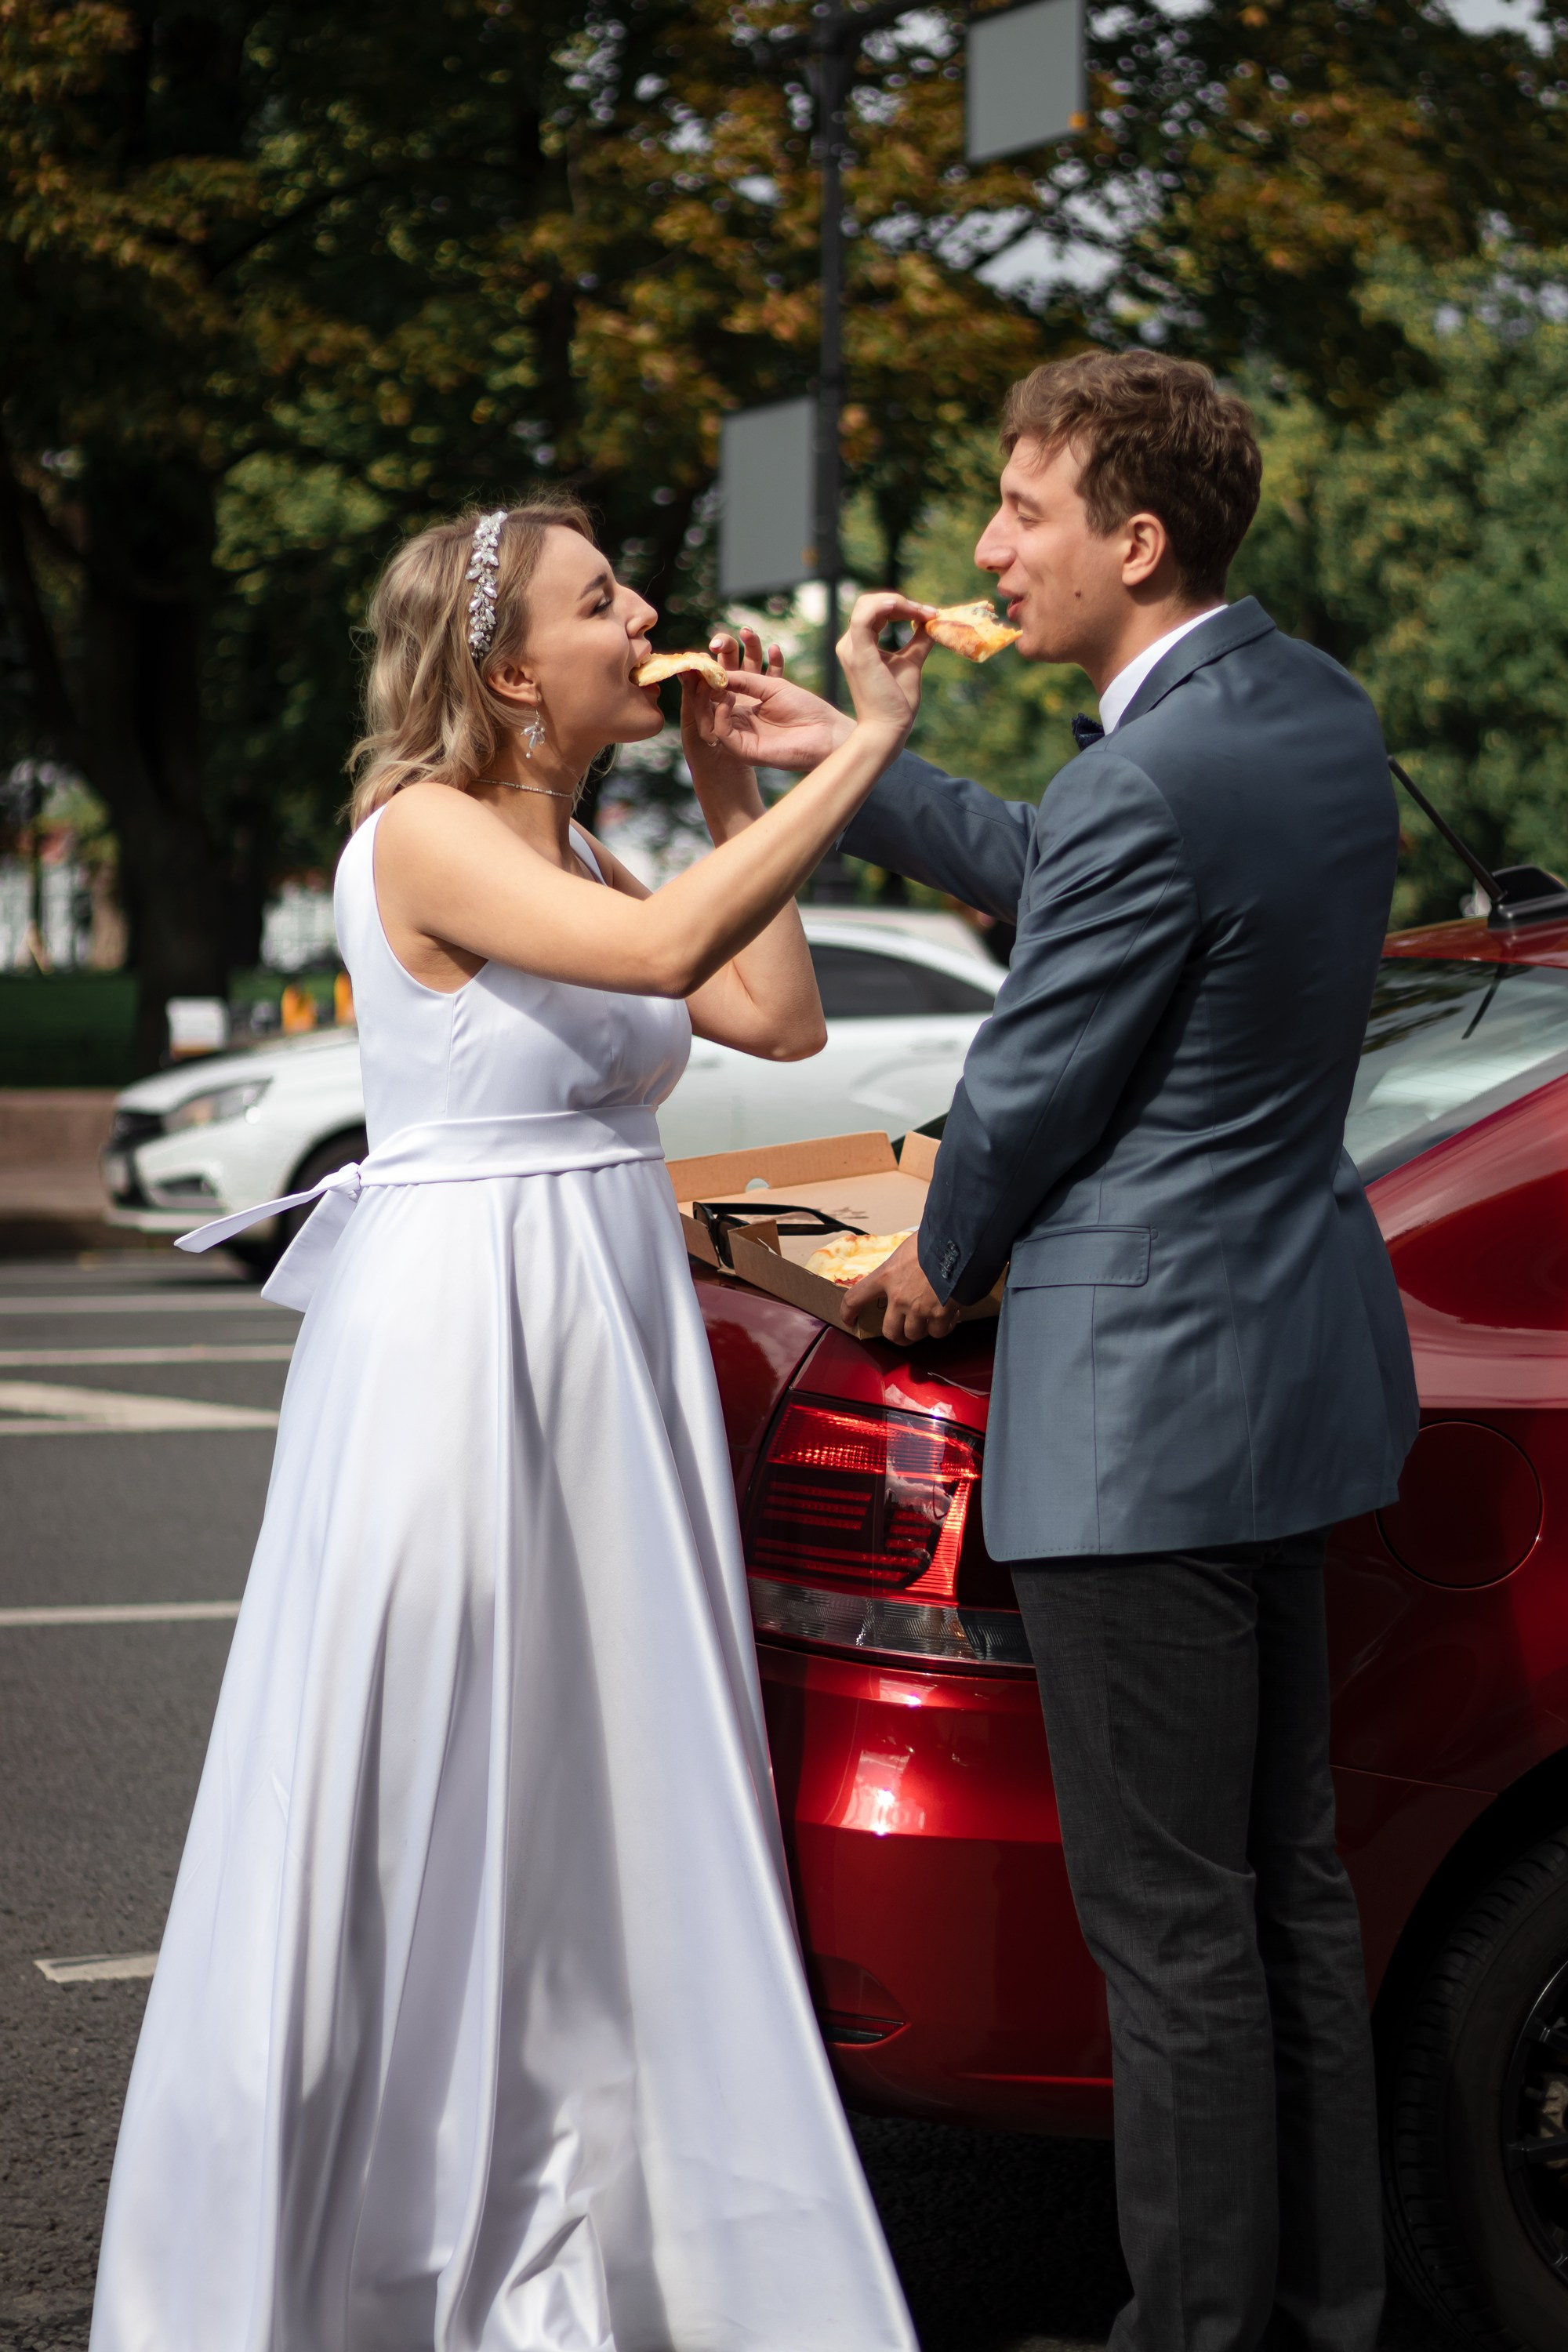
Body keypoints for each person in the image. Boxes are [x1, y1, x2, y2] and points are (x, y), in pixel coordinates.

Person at [89, 499, 932, 2352]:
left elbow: (769, 1016)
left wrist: (729, 788)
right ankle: (334, 2243)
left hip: (599, 1316)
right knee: (423, 1756)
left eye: (630, 588)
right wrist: (863, 745)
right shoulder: (423, 835)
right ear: (501, 668)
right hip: (464, 1330)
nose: (645, 613)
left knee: (599, 1767)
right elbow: (653, 979)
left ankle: (599, 2214)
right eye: (599, 598)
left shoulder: (606, 859)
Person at [701, 353, 1420, 2352]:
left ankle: (1191, 2334)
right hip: (1291, 1382)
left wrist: (932, 1258)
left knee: (1170, 1933)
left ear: (1136, 537)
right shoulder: (1305, 714)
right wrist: (856, 751)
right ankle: (1319, 2314)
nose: (991, 548)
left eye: (1023, 511)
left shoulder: (1145, 776)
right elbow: (1085, 878)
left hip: (1142, 1406)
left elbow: (1024, 1087)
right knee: (1289, 1897)